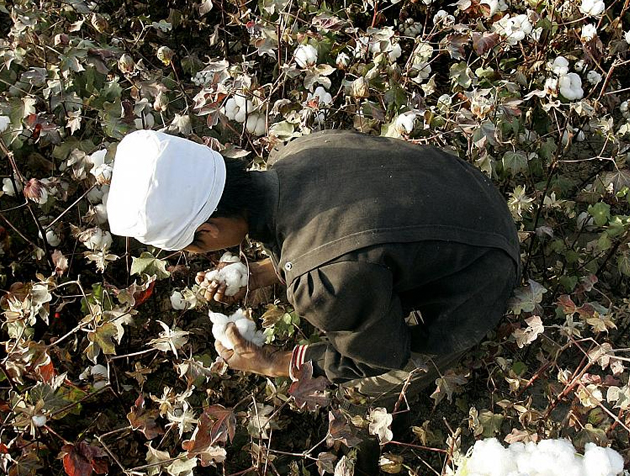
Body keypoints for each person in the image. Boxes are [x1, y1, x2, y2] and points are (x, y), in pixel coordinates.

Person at [107, 129, 520, 403]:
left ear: (211, 230)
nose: (199, 256)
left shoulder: (322, 282)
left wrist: (271, 363)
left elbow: (380, 355)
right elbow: (343, 233)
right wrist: (262, 274)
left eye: (192, 247)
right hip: (472, 192)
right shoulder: (298, 152)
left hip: (488, 268)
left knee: (365, 389)